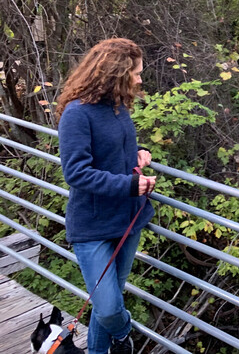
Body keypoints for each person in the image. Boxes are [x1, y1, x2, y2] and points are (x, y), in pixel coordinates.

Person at [56, 38, 156, 354]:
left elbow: (112, 152)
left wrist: (138, 153)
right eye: (136, 73)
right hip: (93, 227)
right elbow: (77, 173)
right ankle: (124, 334)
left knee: (106, 303)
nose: (140, 79)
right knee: (110, 307)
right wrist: (128, 185)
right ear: (117, 73)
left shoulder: (118, 106)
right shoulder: (77, 114)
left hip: (129, 219)